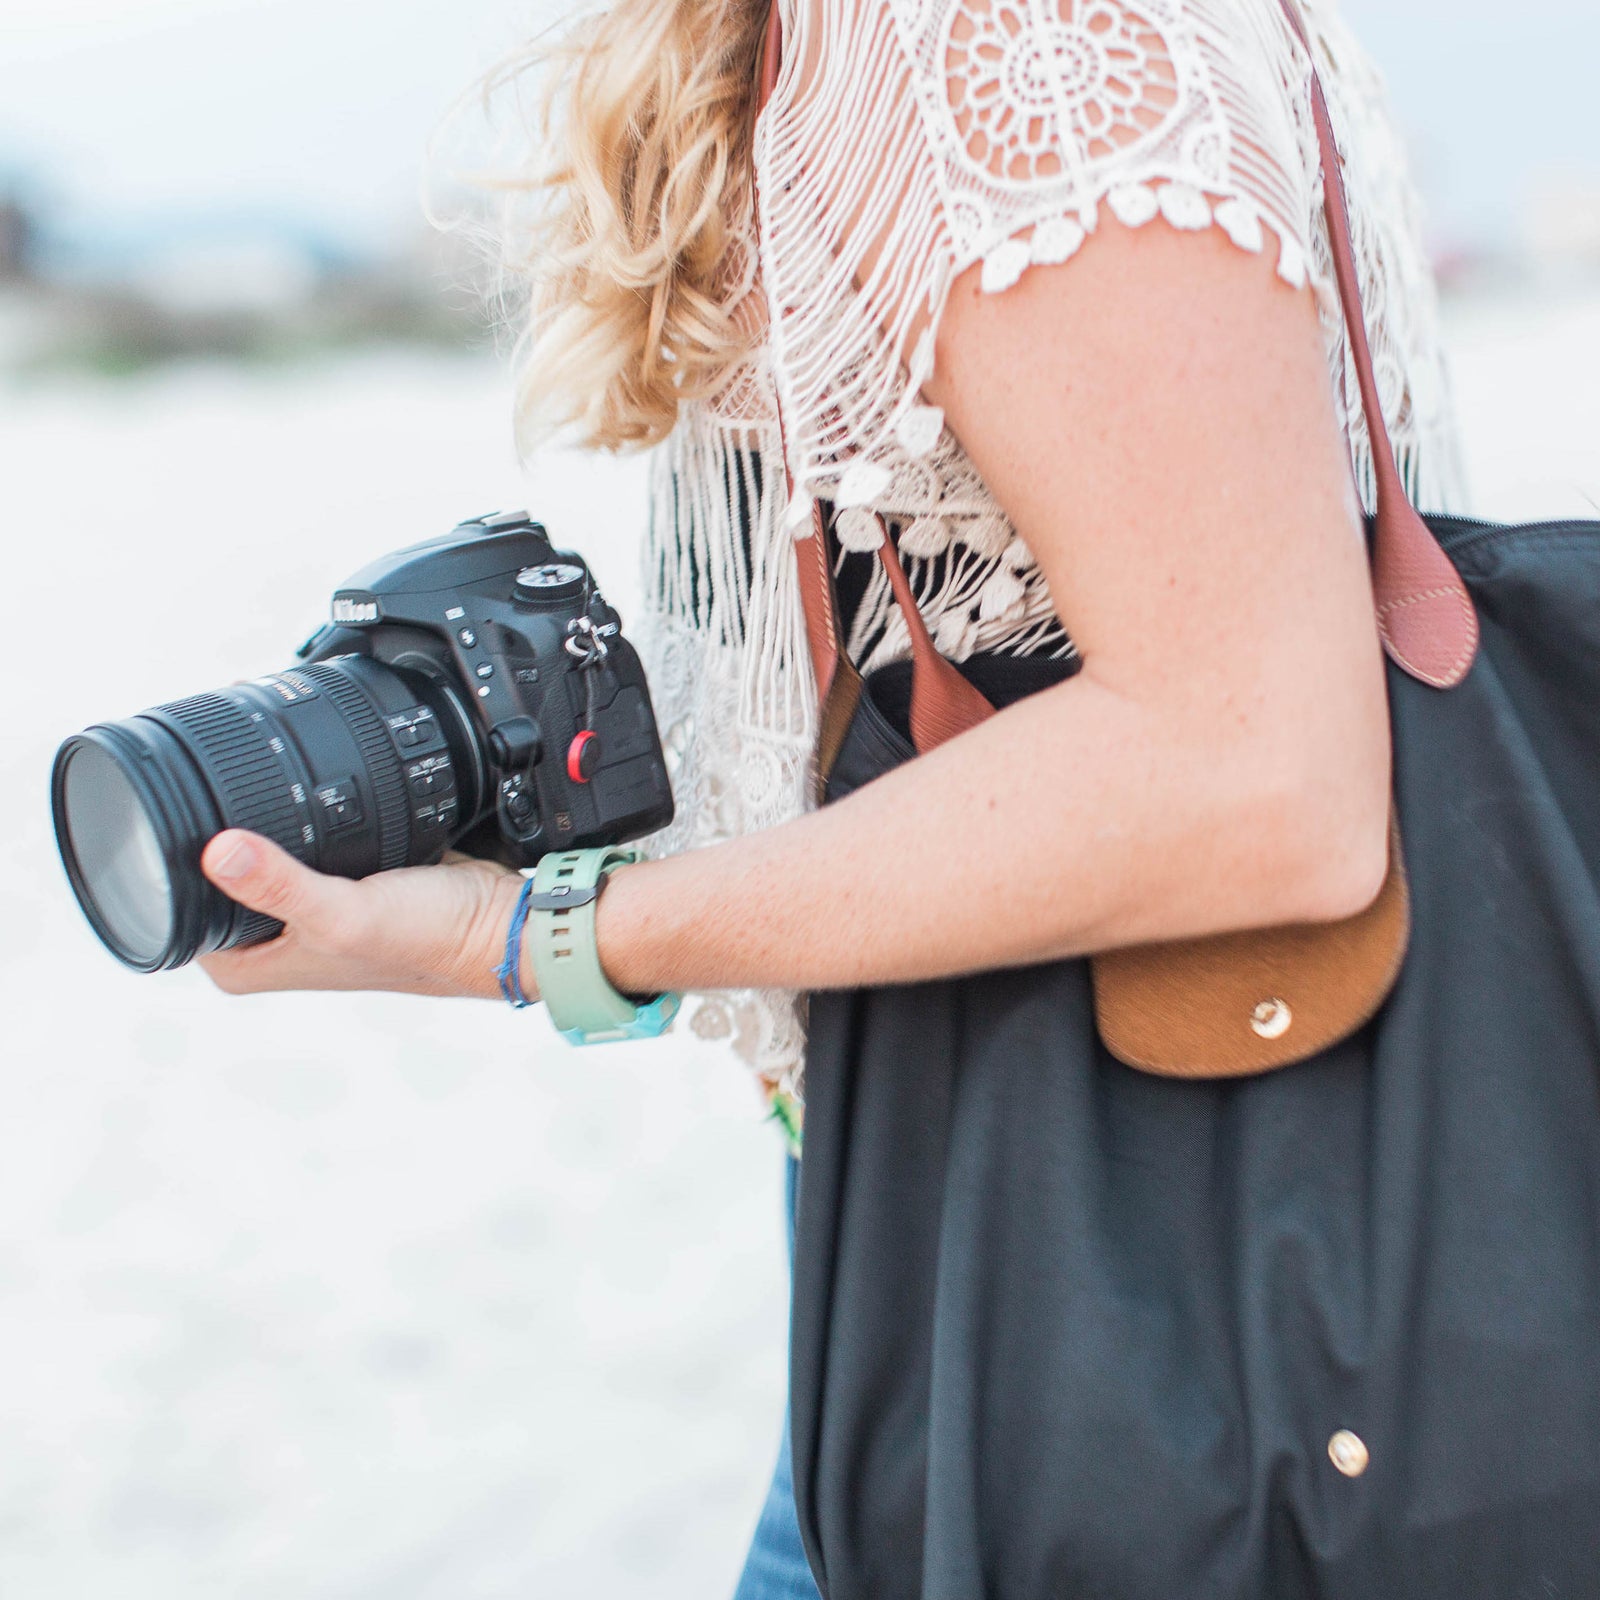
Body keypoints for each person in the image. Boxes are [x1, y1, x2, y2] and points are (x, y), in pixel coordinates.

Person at [194, 0, 1466, 1593]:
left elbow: (1256, 769)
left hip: (1120, 1249)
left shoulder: (1013, 39)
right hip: (932, 1211)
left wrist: (534, 938)